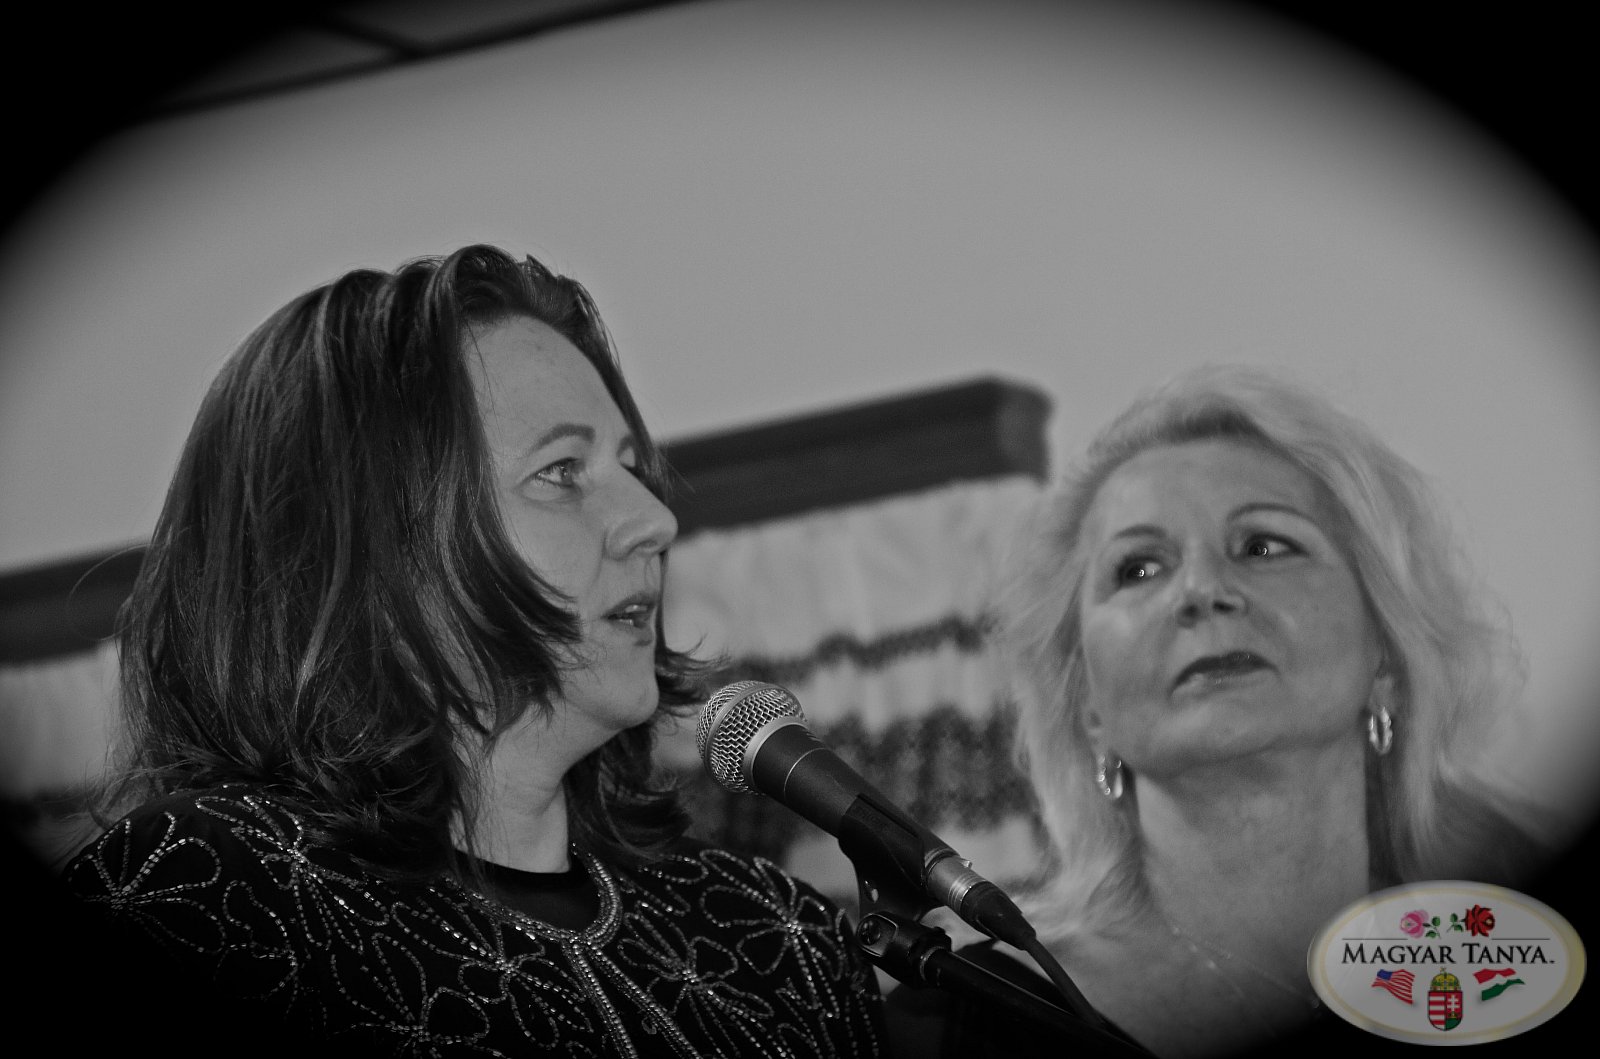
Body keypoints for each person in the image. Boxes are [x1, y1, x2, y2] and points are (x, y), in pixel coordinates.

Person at [57, 244, 885, 1057]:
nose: (654, 520)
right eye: (562, 471)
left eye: (634, 468)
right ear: (371, 550)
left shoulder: (780, 943)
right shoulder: (209, 895)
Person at [883, 364, 1558, 1059]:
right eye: (1139, 568)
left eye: (1264, 545)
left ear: (1385, 657)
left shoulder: (1509, 970)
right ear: (1088, 705)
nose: (1201, 590)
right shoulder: (960, 1016)